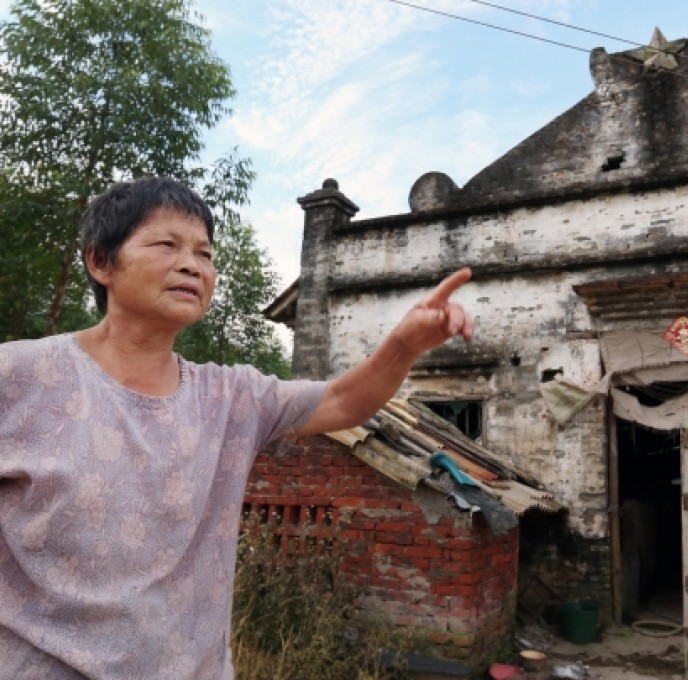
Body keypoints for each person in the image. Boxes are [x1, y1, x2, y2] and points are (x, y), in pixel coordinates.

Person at [0, 177, 474, 679]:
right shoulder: (20, 378)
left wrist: (403, 345)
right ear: (101, 262)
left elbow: (341, 401)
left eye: (204, 254)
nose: (192, 265)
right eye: (167, 245)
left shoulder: (231, 398)